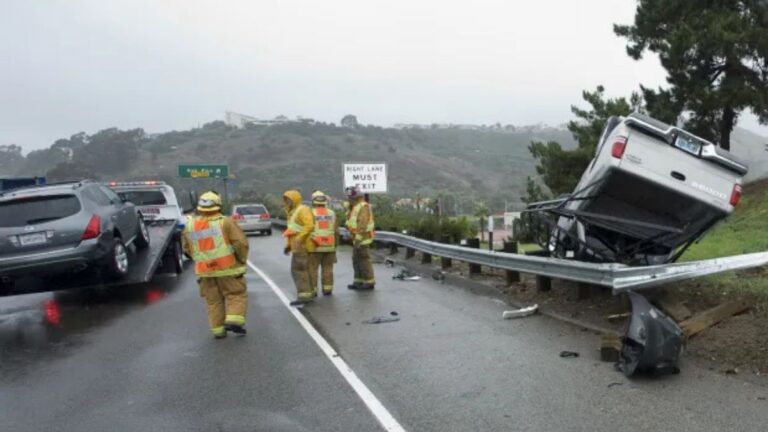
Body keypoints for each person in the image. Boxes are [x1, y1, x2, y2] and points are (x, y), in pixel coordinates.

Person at [182, 191, 249, 339]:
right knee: (236, 294)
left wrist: (202, 260)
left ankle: (218, 331)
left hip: (204, 272)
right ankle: (234, 321)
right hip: (228, 268)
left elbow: (187, 248)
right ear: (218, 205)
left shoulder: (190, 225)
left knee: (213, 301)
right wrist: (242, 259)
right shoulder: (225, 222)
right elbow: (240, 243)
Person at [282, 190, 315, 306]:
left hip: (302, 246)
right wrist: (288, 246)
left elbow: (309, 225)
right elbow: (293, 231)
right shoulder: (293, 212)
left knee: (299, 270)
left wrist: (299, 239)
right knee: (303, 270)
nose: (286, 201)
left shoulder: (302, 210)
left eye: (288, 199)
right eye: (285, 199)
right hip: (298, 246)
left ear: (295, 199)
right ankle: (309, 293)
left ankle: (304, 296)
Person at [307, 190, 338, 296]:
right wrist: (335, 246)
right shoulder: (332, 213)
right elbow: (336, 231)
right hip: (329, 245)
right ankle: (327, 289)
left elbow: (307, 230)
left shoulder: (310, 213)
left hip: (315, 245)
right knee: (328, 268)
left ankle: (313, 290)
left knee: (312, 269)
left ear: (313, 201)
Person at [345, 186, 375, 290]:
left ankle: (369, 281)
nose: (349, 199)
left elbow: (362, 224)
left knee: (364, 260)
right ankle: (358, 281)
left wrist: (358, 239)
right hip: (357, 238)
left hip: (362, 238)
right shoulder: (356, 206)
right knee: (356, 260)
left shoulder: (363, 206)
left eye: (350, 197)